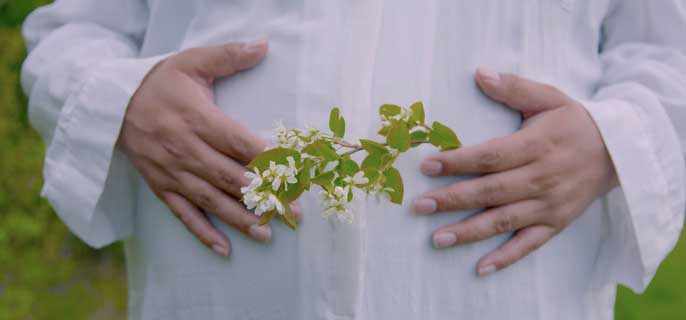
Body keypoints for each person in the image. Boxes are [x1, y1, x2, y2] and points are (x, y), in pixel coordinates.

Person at [21, 1, 686, 319]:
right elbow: (75, 33)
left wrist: (609, 140)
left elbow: (669, 54)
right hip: (220, 292)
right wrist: (125, 98)